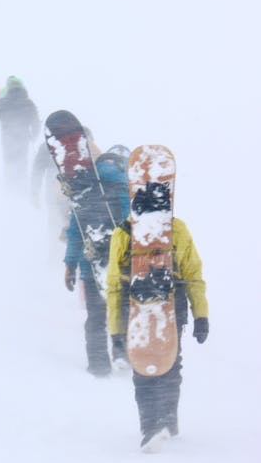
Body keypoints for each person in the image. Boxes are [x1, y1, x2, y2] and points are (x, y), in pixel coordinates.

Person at [106, 189, 209, 451]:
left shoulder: (123, 233)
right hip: (173, 304)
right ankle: (168, 422)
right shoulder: (177, 229)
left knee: (143, 364)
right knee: (171, 361)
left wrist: (116, 331)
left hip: (135, 305)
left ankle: (151, 426)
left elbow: (115, 284)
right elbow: (193, 273)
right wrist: (201, 315)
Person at [63, 149, 130, 377]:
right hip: (123, 265)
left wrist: (70, 265)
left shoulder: (84, 193)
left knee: (96, 316)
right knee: (124, 311)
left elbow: (74, 233)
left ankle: (99, 365)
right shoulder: (128, 191)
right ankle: (123, 353)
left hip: (90, 265)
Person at [31, 127, 103, 241]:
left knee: (56, 226)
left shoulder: (47, 146)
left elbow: (37, 171)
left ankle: (56, 254)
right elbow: (99, 163)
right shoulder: (83, 139)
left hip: (57, 194)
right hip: (81, 193)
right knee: (78, 226)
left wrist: (34, 193)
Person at [0, 78, 40, 192]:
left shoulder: (4, 102)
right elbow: (36, 121)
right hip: (23, 138)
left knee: (9, 162)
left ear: (9, 88)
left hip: (7, 138)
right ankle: (21, 187)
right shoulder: (28, 102)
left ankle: (10, 188)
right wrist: (34, 135)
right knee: (22, 161)